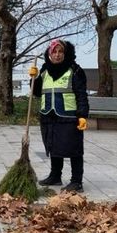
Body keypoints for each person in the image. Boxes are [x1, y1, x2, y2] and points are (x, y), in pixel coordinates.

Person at [28, 38, 89, 193]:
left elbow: (81, 95)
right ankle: (55, 176)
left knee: (74, 148)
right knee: (53, 146)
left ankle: (77, 181)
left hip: (69, 116)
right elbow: (36, 92)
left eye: (60, 51)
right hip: (48, 115)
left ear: (65, 53)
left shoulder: (74, 70)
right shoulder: (44, 70)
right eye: (54, 51)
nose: (57, 55)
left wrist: (82, 115)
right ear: (49, 54)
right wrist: (33, 78)